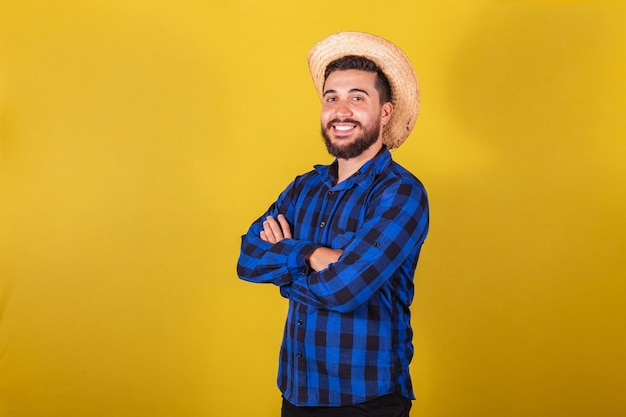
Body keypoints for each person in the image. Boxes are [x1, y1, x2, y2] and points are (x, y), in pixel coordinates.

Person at [237, 31, 429, 417]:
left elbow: (346, 289)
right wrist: (315, 255)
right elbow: (248, 258)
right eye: (331, 98)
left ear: (385, 112)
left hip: (365, 400)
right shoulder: (302, 189)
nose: (341, 110)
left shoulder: (401, 193)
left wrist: (287, 262)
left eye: (357, 98)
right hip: (296, 391)